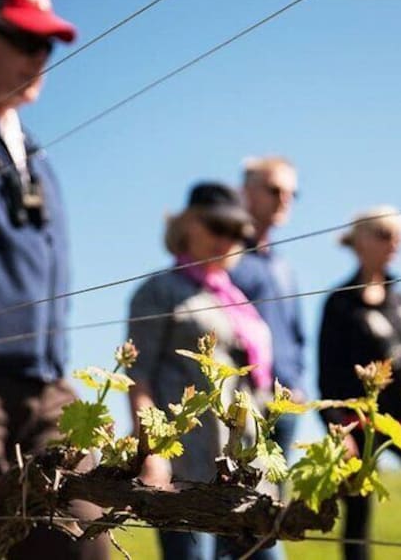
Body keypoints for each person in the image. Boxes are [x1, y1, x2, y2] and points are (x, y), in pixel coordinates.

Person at [0, 0, 108, 557]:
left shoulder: (35, 151)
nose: (39, 56)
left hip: (47, 382)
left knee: (85, 539)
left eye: (47, 44)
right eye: (23, 40)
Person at [127, 182, 276, 560]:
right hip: (187, 464)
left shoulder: (234, 298)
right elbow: (138, 378)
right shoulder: (157, 292)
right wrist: (153, 453)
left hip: (244, 467)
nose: (225, 239)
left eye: (235, 232)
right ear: (187, 225)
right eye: (216, 226)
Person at [317, 206, 401, 560]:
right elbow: (327, 375)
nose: (395, 243)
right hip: (359, 425)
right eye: (384, 234)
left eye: (399, 236)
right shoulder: (339, 304)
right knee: (357, 515)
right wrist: (338, 430)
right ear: (360, 241)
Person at [229, 156, 305, 457]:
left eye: (292, 193)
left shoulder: (283, 266)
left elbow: (295, 334)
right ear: (245, 192)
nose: (284, 200)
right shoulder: (226, 258)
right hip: (241, 399)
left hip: (286, 400)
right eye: (274, 190)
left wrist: (296, 381)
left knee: (275, 494)